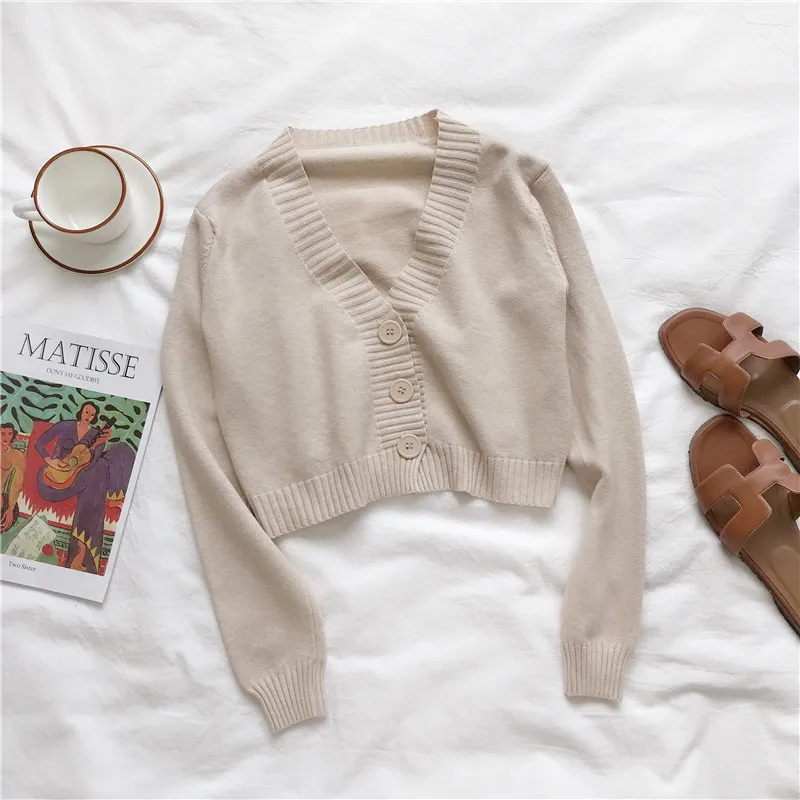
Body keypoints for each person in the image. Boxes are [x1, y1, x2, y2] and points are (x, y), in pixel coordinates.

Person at [35, 401, 134, 573]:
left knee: (122, 450)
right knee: (100, 468)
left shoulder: (96, 433)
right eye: (87, 411)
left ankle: (113, 497)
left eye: (92, 414)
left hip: (82, 474)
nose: (88, 416)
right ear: (81, 411)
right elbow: (39, 443)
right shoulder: (66, 426)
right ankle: (80, 553)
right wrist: (50, 460)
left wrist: (98, 444)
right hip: (55, 478)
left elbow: (92, 462)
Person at [1, 422, 26, 533]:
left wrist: (10, 508)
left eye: (9, 434)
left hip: (8, 503)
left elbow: (18, 483)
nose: (6, 437)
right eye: (2, 434)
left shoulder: (17, 456)